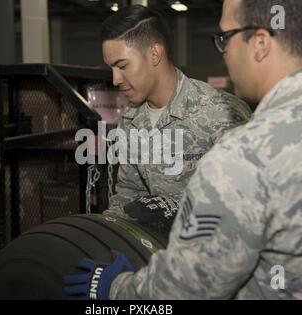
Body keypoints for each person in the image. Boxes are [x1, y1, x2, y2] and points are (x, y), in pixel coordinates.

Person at [64, 0, 302, 300]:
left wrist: (116, 290)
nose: (224, 52)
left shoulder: (237, 143)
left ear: (260, 43)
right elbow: (128, 193)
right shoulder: (132, 121)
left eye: (226, 37)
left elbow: (194, 284)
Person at [100, 5, 251, 234]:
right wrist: (105, 235)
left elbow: (249, 198)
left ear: (154, 54)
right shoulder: (130, 120)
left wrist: (182, 210)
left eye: (122, 66)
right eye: (111, 68)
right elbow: (129, 191)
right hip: (158, 253)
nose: (115, 79)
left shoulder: (220, 111)